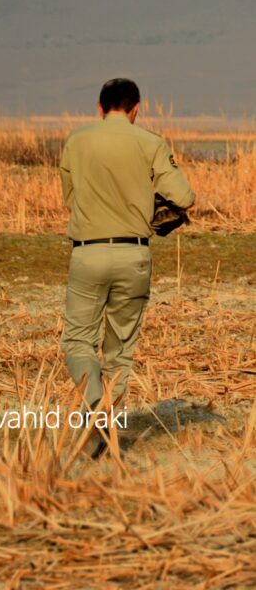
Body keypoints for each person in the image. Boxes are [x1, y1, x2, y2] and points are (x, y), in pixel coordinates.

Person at [60, 78, 195, 452]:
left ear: (99, 108)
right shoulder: (151, 142)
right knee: (119, 351)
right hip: (135, 254)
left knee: (77, 341)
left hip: (87, 253)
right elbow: (184, 196)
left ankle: (93, 408)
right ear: (136, 108)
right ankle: (105, 422)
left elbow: (69, 198)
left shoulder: (76, 141)